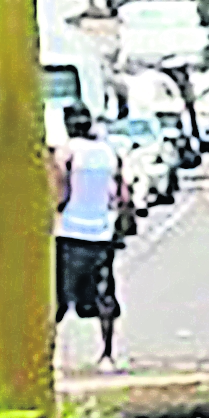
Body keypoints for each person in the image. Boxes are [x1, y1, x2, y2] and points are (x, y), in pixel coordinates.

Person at [50, 108, 127, 346]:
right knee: (103, 293)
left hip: (69, 233)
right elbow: (121, 195)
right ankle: (107, 352)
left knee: (57, 299)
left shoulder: (66, 152)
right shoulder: (108, 153)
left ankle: (47, 351)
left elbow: (61, 192)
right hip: (102, 233)